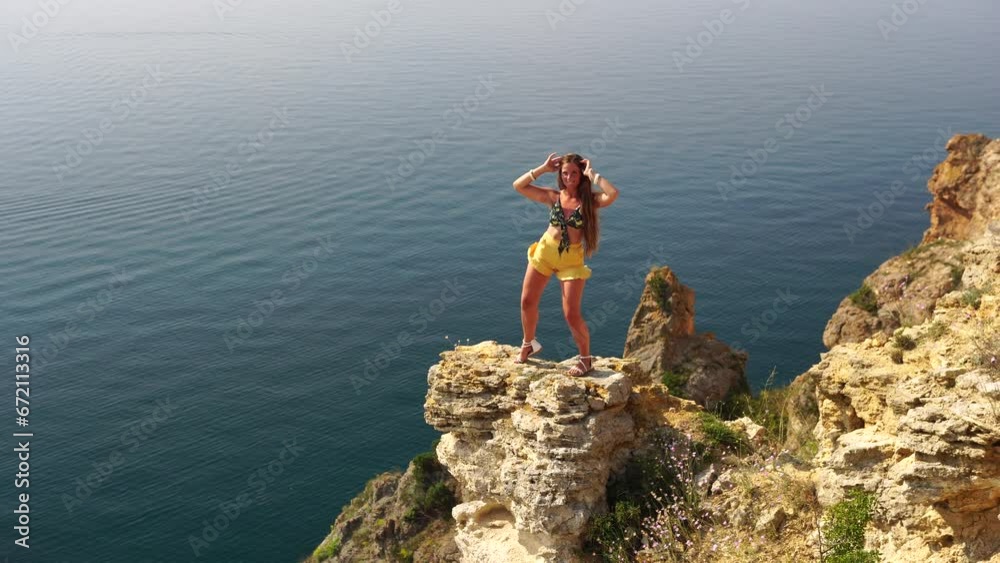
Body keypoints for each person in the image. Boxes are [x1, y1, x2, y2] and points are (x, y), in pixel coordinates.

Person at [511, 152, 620, 376]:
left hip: (571, 260)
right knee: (527, 301)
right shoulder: (553, 196)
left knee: (571, 313)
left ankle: (585, 359)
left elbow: (613, 194)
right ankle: (529, 344)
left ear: (581, 175)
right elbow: (518, 186)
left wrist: (594, 174)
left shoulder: (589, 201)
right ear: (560, 175)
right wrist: (542, 169)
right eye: (565, 173)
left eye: (574, 173)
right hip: (545, 252)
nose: (569, 177)